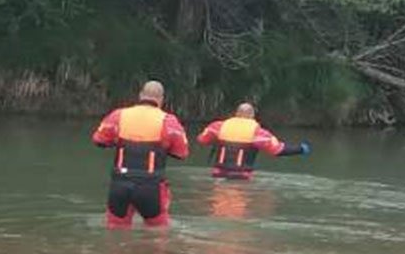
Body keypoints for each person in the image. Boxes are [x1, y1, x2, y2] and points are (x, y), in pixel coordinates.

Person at [91, 81, 190, 229]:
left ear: (141, 95)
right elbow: (181, 153)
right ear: (161, 99)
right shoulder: (169, 121)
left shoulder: (118, 115)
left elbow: (99, 140)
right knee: (158, 233)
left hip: (120, 185)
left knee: (115, 231)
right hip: (150, 187)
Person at [197, 103, 310, 180]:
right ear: (252, 115)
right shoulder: (258, 133)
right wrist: (301, 149)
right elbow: (278, 150)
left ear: (236, 113)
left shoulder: (217, 127)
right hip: (242, 176)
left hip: (218, 174)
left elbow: (202, 140)